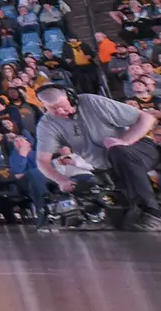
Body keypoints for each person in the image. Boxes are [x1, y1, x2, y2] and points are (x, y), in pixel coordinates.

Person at [34, 84, 161, 230]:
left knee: (117, 150)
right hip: (106, 168)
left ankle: (153, 213)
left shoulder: (92, 102)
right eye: (53, 109)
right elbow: (42, 160)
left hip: (138, 150)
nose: (60, 112)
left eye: (63, 106)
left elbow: (146, 118)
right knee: (120, 223)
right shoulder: (47, 124)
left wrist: (125, 141)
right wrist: (61, 180)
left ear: (71, 98)